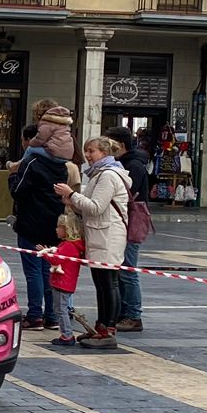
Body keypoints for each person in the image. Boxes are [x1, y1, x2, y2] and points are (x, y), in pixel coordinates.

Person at [71, 135, 131, 350]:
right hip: (100, 235)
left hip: (108, 236)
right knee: (101, 283)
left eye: (92, 151)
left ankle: (109, 328)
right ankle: (101, 326)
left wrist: (72, 195)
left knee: (109, 283)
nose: (87, 155)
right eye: (86, 150)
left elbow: (96, 206)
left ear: (104, 153)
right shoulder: (99, 174)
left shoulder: (108, 176)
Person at [7, 123, 64, 330]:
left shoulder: (31, 162)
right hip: (54, 222)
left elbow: (18, 191)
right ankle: (52, 315)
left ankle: (35, 315)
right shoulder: (61, 164)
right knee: (50, 268)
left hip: (31, 221)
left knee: (33, 271)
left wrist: (13, 174)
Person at [105, 125, 152, 334]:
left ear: (120, 145)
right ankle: (124, 311)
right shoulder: (125, 164)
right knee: (121, 268)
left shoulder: (133, 166)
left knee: (128, 270)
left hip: (129, 223)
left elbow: (126, 195)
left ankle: (133, 314)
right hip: (123, 222)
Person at [43, 205, 86, 348]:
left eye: (59, 227)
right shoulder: (68, 245)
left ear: (66, 229)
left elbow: (56, 260)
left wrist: (45, 254)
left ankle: (67, 335)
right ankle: (66, 333)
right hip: (63, 282)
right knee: (60, 308)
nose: (56, 229)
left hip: (63, 282)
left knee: (61, 309)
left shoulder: (68, 246)